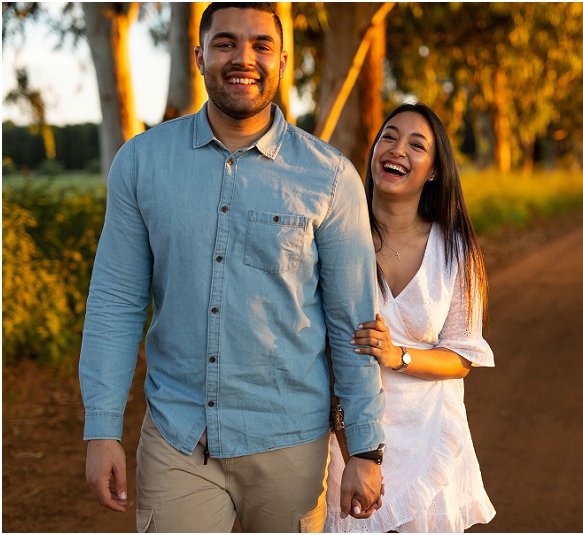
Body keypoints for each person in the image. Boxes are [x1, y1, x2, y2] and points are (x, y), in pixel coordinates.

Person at [79, 3, 385, 532]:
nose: (243, 58)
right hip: (179, 436)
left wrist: (365, 447)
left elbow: (351, 324)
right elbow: (116, 301)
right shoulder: (141, 162)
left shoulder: (330, 177)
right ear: (198, 56)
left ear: (283, 61)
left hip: (290, 442)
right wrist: (102, 427)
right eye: (225, 43)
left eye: (261, 45)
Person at [325, 103, 496, 533]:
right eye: (388, 137)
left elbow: (463, 357)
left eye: (416, 145)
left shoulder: (455, 249)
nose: (397, 149)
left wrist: (397, 354)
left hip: (428, 437)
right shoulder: (337, 235)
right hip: (348, 441)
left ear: (434, 170)